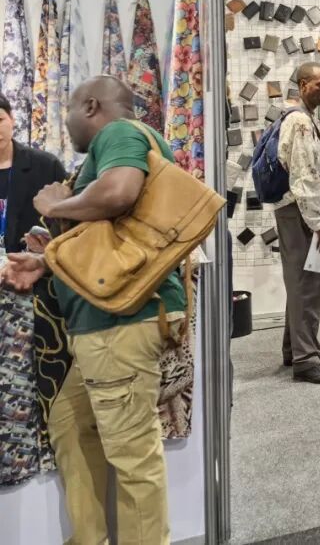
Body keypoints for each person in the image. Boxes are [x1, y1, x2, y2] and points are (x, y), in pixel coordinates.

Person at [3, 76, 185, 545]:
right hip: (103, 323)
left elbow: (120, 193)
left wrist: (59, 204)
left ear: (90, 106)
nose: (65, 123)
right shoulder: (114, 146)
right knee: (70, 424)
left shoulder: (118, 133)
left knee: (132, 455)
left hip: (119, 322)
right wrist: (46, 263)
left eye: (67, 110)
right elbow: (110, 238)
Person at [0, 92, 68, 487]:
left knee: (30, 382)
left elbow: (66, 226)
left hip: (34, 292)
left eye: (0, 119)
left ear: (11, 119)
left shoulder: (43, 166)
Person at [274, 62, 320, 384]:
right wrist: (318, 224)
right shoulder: (300, 120)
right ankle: (306, 361)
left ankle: (298, 348)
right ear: (303, 85)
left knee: (299, 283)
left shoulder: (299, 117)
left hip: (296, 210)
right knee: (307, 285)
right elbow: (302, 177)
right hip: (301, 212)